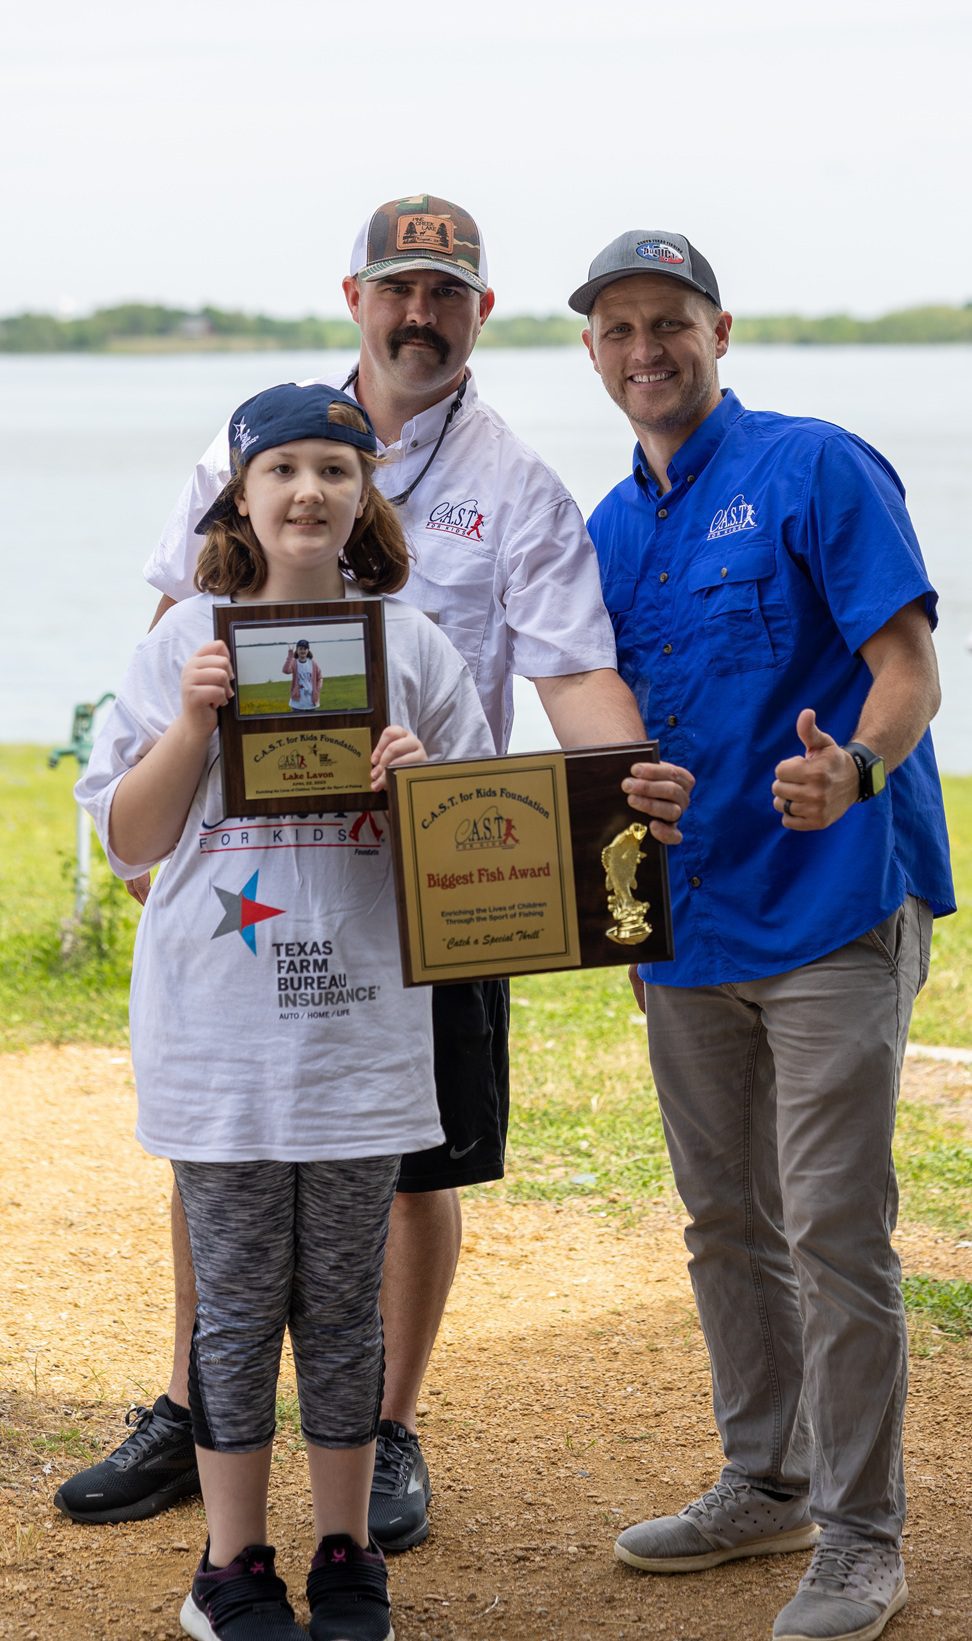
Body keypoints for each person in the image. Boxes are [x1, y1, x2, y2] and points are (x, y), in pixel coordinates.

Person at [56, 195, 694, 1548]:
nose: (419, 316)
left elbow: (575, 676)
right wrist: (147, 819)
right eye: (398, 291)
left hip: (434, 877)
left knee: (420, 1157)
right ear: (356, 296)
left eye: (446, 295)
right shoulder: (256, 435)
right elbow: (178, 621)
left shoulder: (515, 485)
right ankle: (189, 1404)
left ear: (480, 313)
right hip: (249, 868)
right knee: (223, 1152)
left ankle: (388, 1425)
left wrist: (620, 863)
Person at [569, 231, 955, 1641]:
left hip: (835, 907)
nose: (644, 351)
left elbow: (907, 668)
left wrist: (851, 764)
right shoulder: (609, 532)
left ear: (718, 330)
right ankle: (766, 1476)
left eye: (668, 323)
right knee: (725, 1219)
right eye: (617, 330)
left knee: (834, 1228)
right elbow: (600, 730)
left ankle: (862, 1539)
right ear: (595, 352)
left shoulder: (815, 468)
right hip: (690, 927)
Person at [76, 382, 497, 1641]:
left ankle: (346, 1551)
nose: (309, 490)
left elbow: (478, 864)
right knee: (240, 1303)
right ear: (240, 500)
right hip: (221, 1040)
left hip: (362, 1039)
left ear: (367, 495)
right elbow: (131, 842)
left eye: (336, 468)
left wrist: (422, 786)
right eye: (284, 471)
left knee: (343, 1308)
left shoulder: (412, 647)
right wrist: (197, 722)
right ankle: (231, 1567)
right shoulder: (178, 649)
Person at [283, 639, 321, 709]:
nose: (302, 651)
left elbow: (320, 678)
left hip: (311, 704)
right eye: (300, 649)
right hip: (297, 704)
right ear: (297, 651)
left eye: (305, 649)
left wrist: (317, 689)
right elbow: (286, 670)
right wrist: (290, 656)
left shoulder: (313, 663)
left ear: (308, 650)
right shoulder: (294, 663)